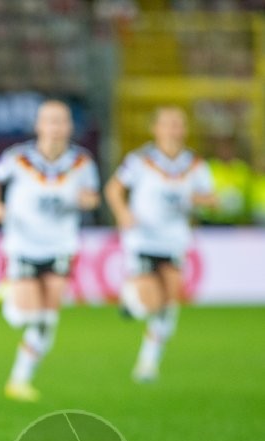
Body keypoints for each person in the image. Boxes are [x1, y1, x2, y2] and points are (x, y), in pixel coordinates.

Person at [0, 100, 100, 402]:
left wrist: (87, 201)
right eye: (50, 121)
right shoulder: (20, 158)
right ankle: (9, 295)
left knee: (48, 316)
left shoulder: (82, 163)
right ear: (39, 126)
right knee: (26, 317)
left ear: (70, 127)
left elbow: (93, 198)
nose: (56, 127)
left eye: (62, 121)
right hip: (23, 244)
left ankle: (19, 380)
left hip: (60, 244)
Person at [105, 106, 216, 382]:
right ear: (156, 129)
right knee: (152, 301)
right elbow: (114, 188)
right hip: (143, 238)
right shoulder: (141, 160)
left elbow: (210, 199)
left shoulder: (194, 165)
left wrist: (195, 200)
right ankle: (132, 301)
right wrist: (122, 213)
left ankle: (147, 363)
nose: (173, 130)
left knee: (170, 301)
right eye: (168, 124)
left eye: (178, 124)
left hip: (174, 241)